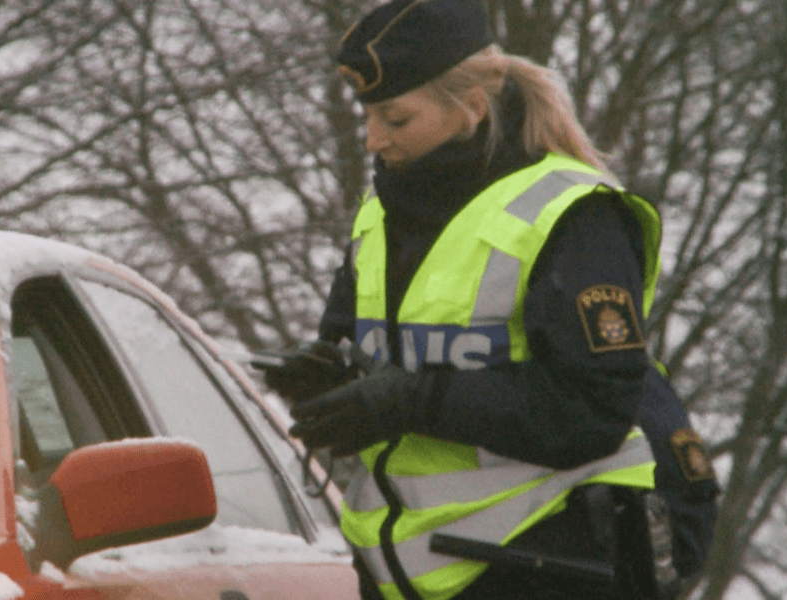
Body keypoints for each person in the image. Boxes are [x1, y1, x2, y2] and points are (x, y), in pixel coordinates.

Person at [255, 0, 720, 599]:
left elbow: (592, 412)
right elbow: (371, 360)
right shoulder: (379, 216)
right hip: (411, 568)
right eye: (367, 116)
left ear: (472, 106)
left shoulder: (571, 214)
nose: (374, 139)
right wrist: (326, 381)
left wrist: (410, 401)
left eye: (396, 120)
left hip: (554, 559)